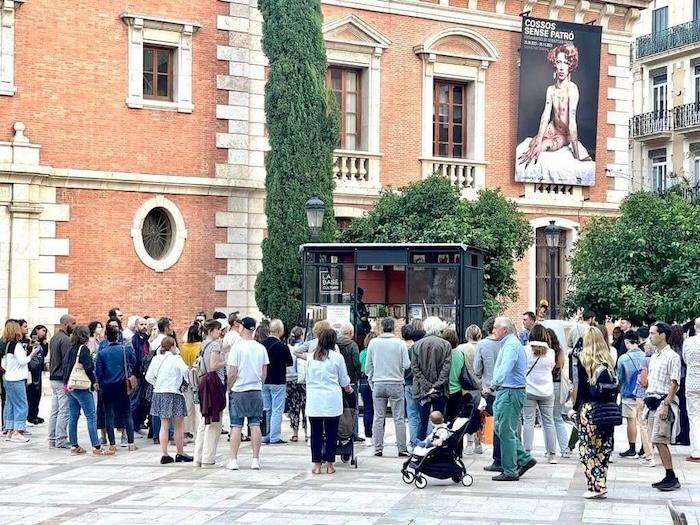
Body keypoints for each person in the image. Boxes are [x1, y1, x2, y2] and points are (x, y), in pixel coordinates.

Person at [518, 43, 588, 168]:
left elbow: (572, 122)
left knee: (545, 146)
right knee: (533, 144)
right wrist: (538, 140)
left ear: (570, 66)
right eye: (559, 62)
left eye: (565, 63)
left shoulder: (572, 89)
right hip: (552, 127)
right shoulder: (550, 90)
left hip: (564, 133)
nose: (561, 67)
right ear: (554, 64)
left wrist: (577, 155)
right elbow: (545, 115)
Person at [487, 317, 536, 482]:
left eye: (495, 328)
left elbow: (505, 368)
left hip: (509, 392)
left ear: (505, 330)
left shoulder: (510, 346)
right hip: (510, 391)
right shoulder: (510, 344)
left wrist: (493, 385)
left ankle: (510, 469)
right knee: (502, 429)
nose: (493, 331)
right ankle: (524, 458)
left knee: (505, 431)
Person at [573, 326, 616, 499]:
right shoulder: (609, 363)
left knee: (587, 448)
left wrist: (574, 408)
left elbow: (580, 388)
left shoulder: (583, 361)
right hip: (607, 411)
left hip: (589, 410)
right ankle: (601, 483)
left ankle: (594, 485)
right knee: (603, 448)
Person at [305, 328, 352, 474]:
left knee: (316, 433)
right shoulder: (337, 357)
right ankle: (330, 465)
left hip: (314, 399)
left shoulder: (310, 357)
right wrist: (348, 389)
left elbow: (307, 377)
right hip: (332, 399)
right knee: (332, 433)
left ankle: (317, 464)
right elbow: (344, 379)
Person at [62, 325, 111, 456]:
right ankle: (96, 446)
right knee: (91, 416)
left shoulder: (71, 348)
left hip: (70, 385)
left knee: (73, 416)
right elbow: (88, 367)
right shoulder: (83, 349)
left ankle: (74, 445)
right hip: (81, 387)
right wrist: (94, 381)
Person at [227, 317, 268, 471]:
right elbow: (264, 372)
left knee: (236, 426)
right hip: (255, 389)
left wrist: (228, 387)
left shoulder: (236, 348)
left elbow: (232, 372)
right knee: (255, 425)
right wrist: (259, 384)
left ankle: (233, 459)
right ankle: (255, 460)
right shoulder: (260, 348)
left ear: (242, 328)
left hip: (239, 389)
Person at [366, 317, 410, 457]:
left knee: (378, 417)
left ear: (381, 327)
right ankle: (402, 448)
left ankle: (378, 448)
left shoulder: (373, 343)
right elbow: (407, 365)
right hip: (396, 382)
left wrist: (372, 380)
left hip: (379, 382)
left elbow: (368, 366)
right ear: (393, 327)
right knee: (399, 418)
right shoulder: (400, 343)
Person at [646, 322, 682, 491]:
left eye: (653, 333)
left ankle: (671, 476)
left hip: (663, 402)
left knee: (661, 439)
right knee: (656, 439)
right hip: (652, 401)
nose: (650, 336)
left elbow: (675, 383)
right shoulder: (655, 356)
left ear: (663, 335)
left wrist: (666, 403)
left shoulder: (672, 357)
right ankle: (668, 475)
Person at [146, 336, 193, 464]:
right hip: (174, 392)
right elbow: (185, 371)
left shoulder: (156, 358)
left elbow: (148, 376)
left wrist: (158, 383)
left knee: (164, 424)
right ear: (173, 346)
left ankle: (164, 454)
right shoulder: (176, 358)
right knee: (179, 425)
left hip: (159, 392)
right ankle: (180, 452)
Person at [94, 324, 136, 452]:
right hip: (122, 384)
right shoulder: (125, 349)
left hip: (106, 386)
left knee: (108, 414)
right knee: (127, 413)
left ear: (106, 337)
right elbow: (133, 362)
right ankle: (131, 443)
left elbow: (98, 372)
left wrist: (98, 383)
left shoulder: (101, 353)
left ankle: (112, 444)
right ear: (118, 336)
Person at [411, 317, 452, 443]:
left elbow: (414, 367)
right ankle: (439, 446)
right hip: (439, 390)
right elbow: (446, 368)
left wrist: (426, 385)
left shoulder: (417, 345)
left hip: (422, 390)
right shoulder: (445, 345)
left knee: (422, 420)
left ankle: (419, 446)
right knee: (440, 420)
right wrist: (437, 385)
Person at [521, 324, 557, 463]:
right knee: (548, 421)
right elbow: (551, 367)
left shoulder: (525, 350)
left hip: (529, 389)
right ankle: (551, 453)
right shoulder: (551, 352)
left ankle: (527, 452)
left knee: (528, 421)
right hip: (547, 390)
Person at [2, 320, 38, 442]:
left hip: (8, 377)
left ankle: (10, 430)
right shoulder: (16, 345)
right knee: (22, 405)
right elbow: (23, 361)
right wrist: (32, 353)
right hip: (17, 379)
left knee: (11, 405)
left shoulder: (7, 344)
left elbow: (4, 363)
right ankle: (18, 431)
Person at [261, 319, 292, 445]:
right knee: (277, 409)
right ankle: (274, 436)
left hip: (264, 380)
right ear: (280, 331)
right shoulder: (282, 346)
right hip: (278, 381)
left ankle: (265, 435)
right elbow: (289, 363)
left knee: (266, 408)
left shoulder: (261, 344)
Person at [616, 331, 646, 458]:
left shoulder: (623, 358)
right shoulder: (646, 356)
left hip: (628, 393)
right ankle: (645, 447)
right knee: (643, 422)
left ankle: (632, 448)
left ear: (627, 342)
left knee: (631, 421)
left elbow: (620, 377)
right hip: (643, 393)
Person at [48, 314, 76, 449]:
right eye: (73, 323)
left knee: (55, 410)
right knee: (64, 410)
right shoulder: (65, 340)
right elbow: (67, 361)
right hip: (60, 378)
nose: (74, 326)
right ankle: (61, 439)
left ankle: (52, 438)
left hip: (53, 376)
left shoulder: (54, 338)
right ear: (66, 324)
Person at [457, 324, 482, 454]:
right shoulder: (483, 347)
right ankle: (478, 443)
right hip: (480, 386)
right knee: (478, 414)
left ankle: (469, 444)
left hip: (465, 386)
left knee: (466, 413)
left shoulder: (461, 348)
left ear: (467, 335)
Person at [546, 327, 572, 458]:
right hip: (558, 385)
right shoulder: (560, 352)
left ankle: (549, 449)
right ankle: (565, 448)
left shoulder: (545, 352)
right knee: (557, 418)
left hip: (546, 386)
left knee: (546, 419)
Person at [337, 322, 362, 442]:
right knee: (352, 408)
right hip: (350, 380)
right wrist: (358, 375)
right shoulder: (352, 345)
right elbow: (356, 362)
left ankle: (339, 431)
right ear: (351, 333)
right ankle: (353, 432)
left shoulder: (334, 344)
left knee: (339, 408)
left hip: (337, 381)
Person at [180, 323, 202, 439]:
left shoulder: (182, 347)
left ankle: (186, 430)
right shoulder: (200, 345)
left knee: (188, 406)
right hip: (197, 377)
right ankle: (198, 430)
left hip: (186, 378)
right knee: (198, 407)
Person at [669, 324, 690, 446]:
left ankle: (672, 435)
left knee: (672, 408)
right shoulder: (684, 346)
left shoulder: (670, 349)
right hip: (684, 379)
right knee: (684, 409)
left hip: (673, 381)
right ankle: (684, 436)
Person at [683, 317, 700, 463]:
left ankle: (696, 451)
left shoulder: (688, 342)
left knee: (694, 417)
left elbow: (685, 359)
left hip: (693, 382)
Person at [286, 326, 307, 442]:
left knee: (293, 407)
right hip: (302, 380)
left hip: (290, 379)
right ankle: (306, 432)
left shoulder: (288, 347)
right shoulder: (304, 347)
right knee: (305, 406)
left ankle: (295, 433)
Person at [401, 325, 420, 451]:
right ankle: (422, 440)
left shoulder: (403, 349)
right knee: (423, 414)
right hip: (419, 383)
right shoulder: (417, 349)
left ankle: (413, 443)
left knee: (412, 415)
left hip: (408, 383)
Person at [27, 324, 48, 425]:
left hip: (39, 369)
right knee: (32, 392)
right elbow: (31, 354)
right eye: (43, 330)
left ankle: (35, 414)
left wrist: (45, 344)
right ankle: (30, 415)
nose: (44, 333)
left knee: (38, 392)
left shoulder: (42, 342)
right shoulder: (33, 340)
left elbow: (45, 354)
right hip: (32, 369)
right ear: (37, 330)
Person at [443, 328, 466, 423]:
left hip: (444, 390)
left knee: (443, 420)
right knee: (455, 420)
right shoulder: (460, 354)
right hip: (457, 390)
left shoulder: (443, 355)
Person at [358, 332, 376, 445]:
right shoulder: (379, 353)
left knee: (367, 409)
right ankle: (379, 435)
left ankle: (368, 436)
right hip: (377, 379)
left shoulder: (363, 353)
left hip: (364, 380)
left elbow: (360, 366)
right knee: (379, 410)